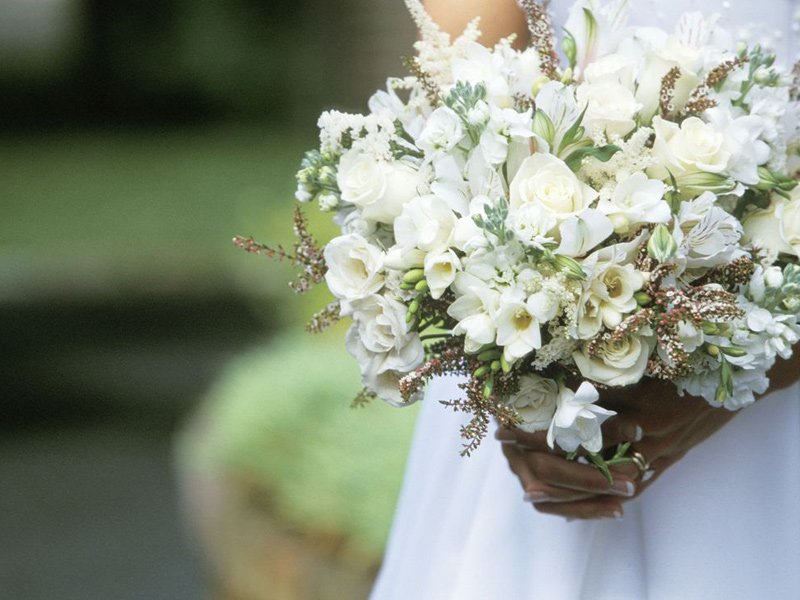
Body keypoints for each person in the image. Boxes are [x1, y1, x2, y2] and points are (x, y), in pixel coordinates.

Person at [369, 1, 800, 598]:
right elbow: (464, 50)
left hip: (766, 389)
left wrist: (754, 367)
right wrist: (516, 363)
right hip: (518, 295)